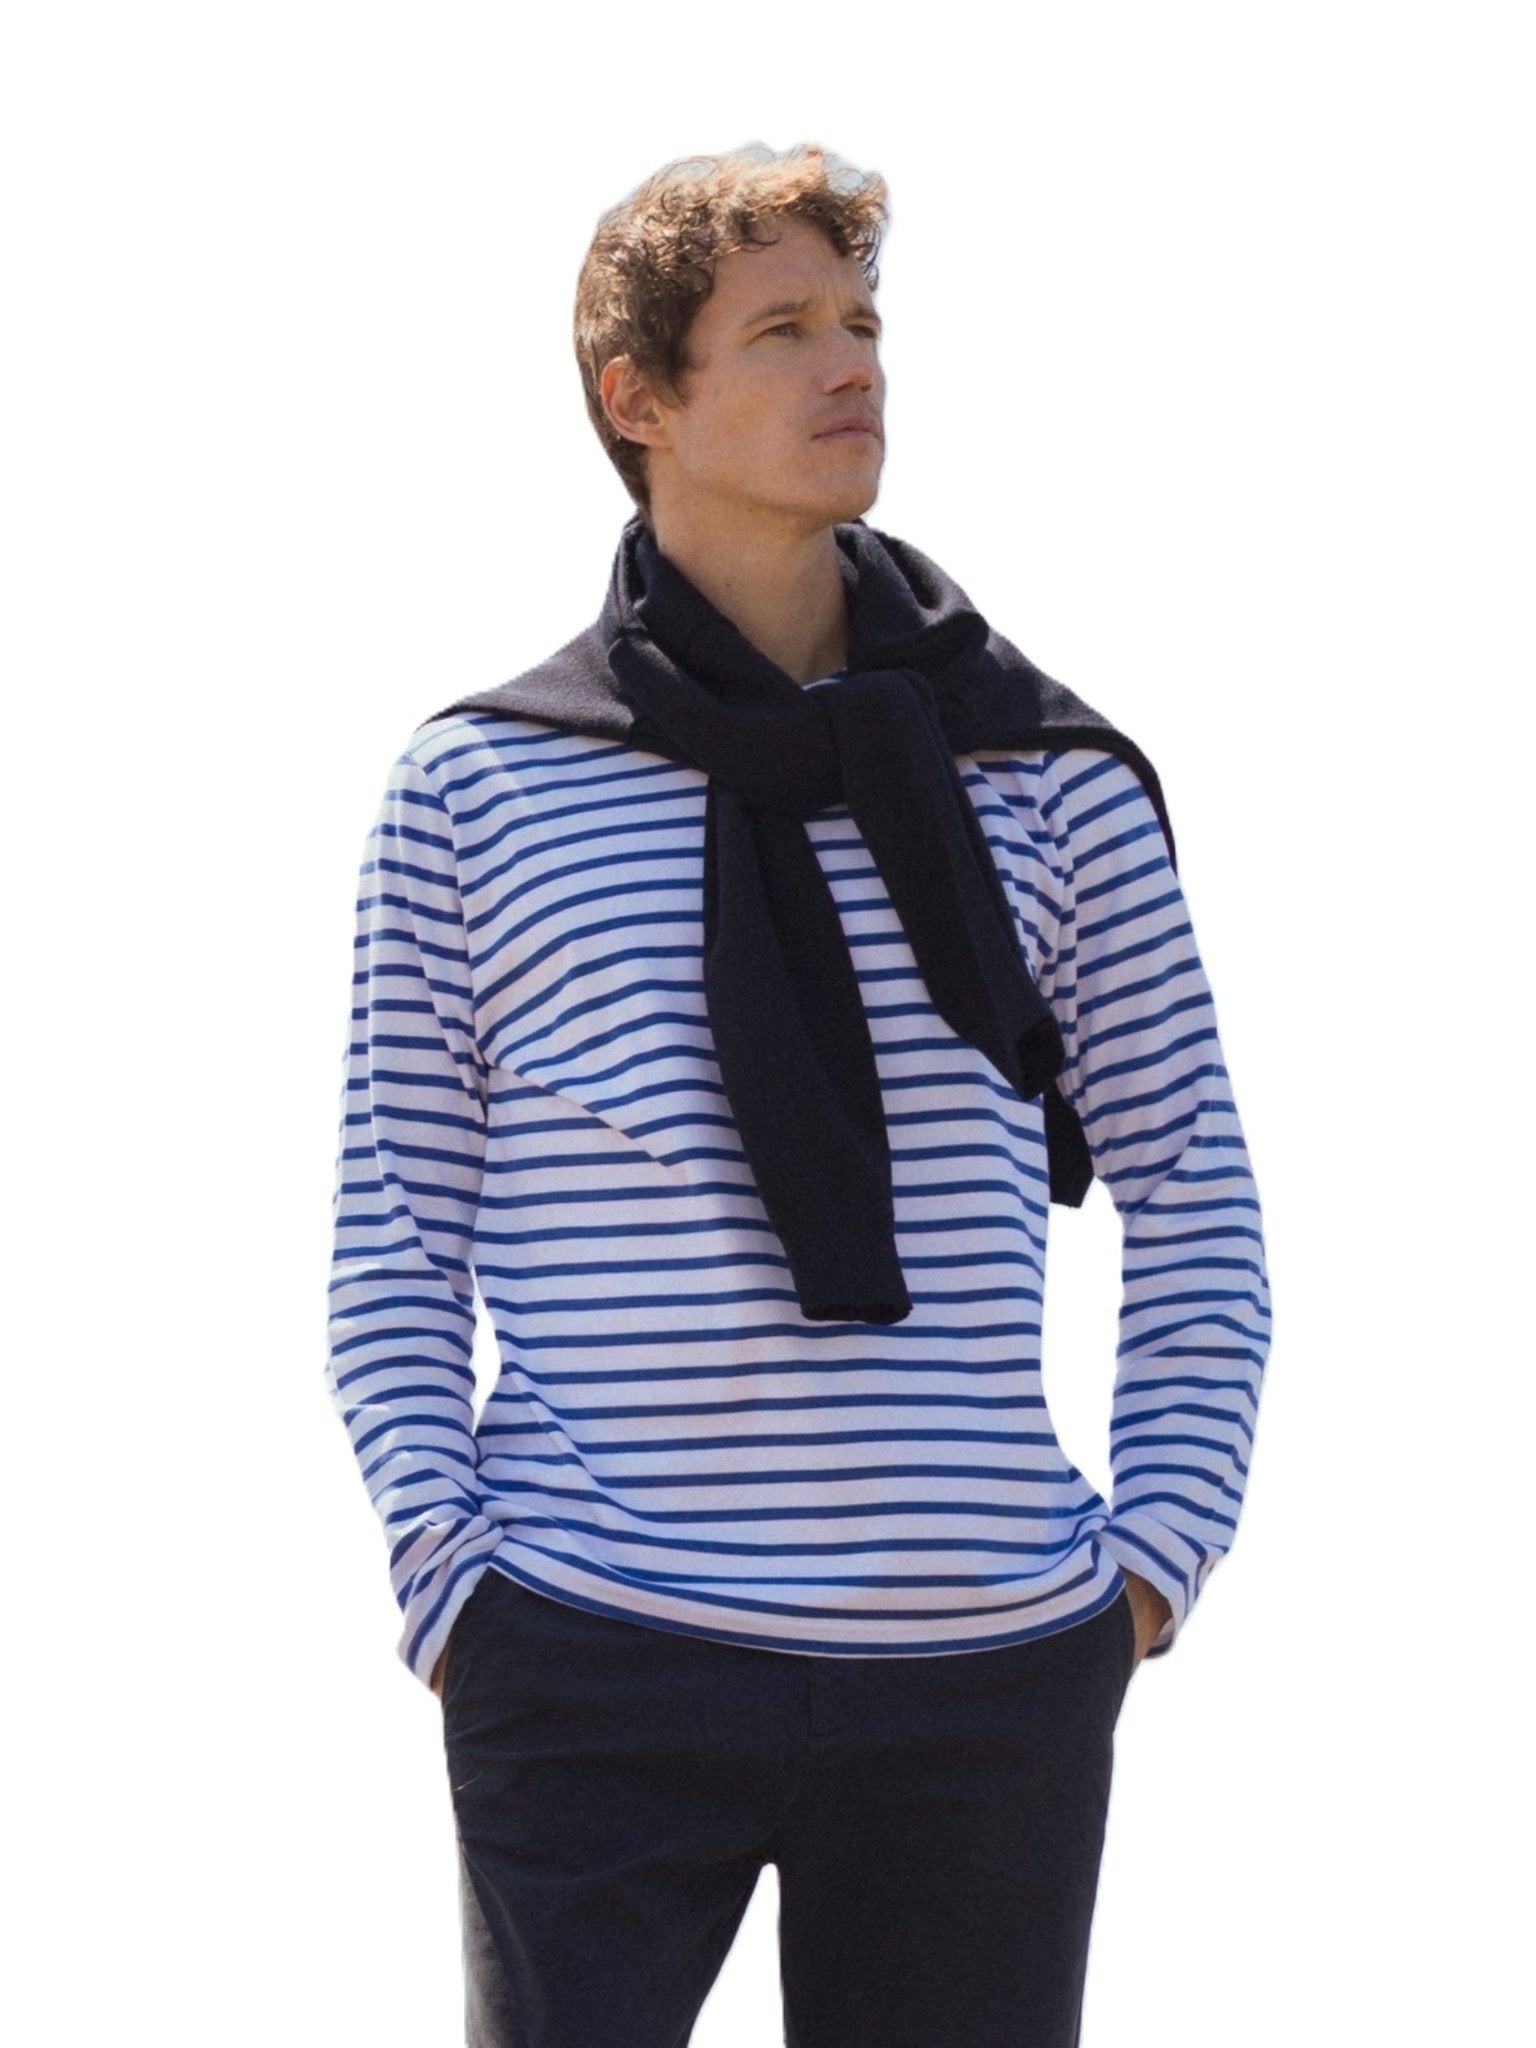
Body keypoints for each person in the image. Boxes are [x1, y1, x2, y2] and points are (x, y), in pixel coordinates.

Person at [326, 141, 1272, 2048]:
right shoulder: (477, 788)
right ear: (639, 397)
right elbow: (397, 1233)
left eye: (864, 323)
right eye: (784, 331)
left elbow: (1193, 1190)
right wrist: (455, 1587)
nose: (855, 365)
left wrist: (1149, 1570)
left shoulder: (1044, 774)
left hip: (984, 1671)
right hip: (590, 1647)